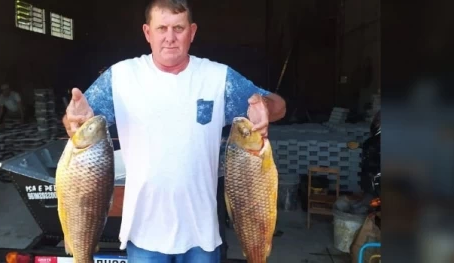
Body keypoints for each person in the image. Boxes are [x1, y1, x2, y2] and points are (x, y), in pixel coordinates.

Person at [62, 0, 286, 262]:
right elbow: (77, 124)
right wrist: (72, 119)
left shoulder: (217, 77)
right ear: (147, 32)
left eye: (178, 28)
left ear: (192, 32)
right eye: (162, 28)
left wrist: (264, 107)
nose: (170, 38)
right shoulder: (121, 77)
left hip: (201, 232)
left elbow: (279, 105)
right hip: (144, 230)